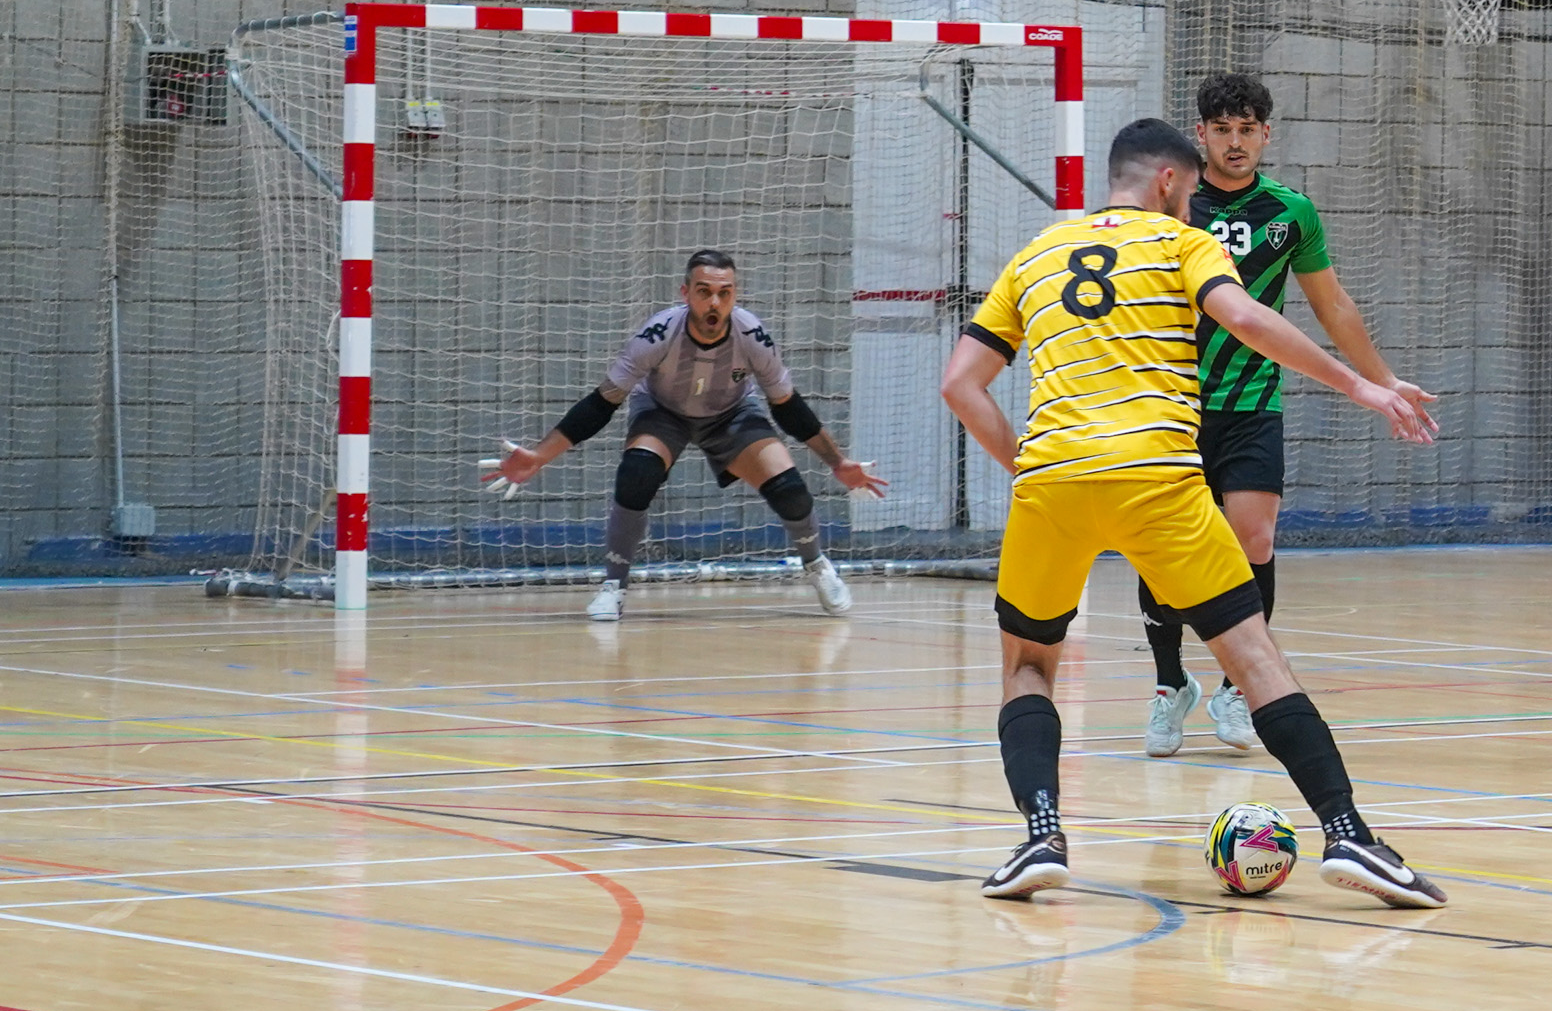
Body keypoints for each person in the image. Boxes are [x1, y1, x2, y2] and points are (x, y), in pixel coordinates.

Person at [939, 116, 1448, 907]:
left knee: (1029, 665)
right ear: (1171, 181)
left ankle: (1041, 835)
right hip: (1158, 478)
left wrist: (1032, 468)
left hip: (1055, 483)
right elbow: (1243, 319)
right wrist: (1362, 386)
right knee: (1254, 660)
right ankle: (1349, 834)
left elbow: (960, 385)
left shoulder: (1036, 252)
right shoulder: (1184, 242)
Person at [1136, 73, 1436, 756]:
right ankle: (1168, 683)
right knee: (1161, 546)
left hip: (1252, 404)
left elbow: (1333, 305)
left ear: (1266, 135)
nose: (1235, 142)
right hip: (1173, 402)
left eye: (1247, 130)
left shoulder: (1290, 212)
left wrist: (1383, 379)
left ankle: (1236, 687)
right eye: (1222, 130)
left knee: (1256, 540)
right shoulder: (1174, 205)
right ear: (1201, 134)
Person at [482, 249, 887, 620]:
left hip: (731, 414)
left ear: (735, 294)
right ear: (686, 293)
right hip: (663, 413)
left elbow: (788, 406)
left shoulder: (752, 336)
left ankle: (817, 565)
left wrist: (837, 462)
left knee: (790, 489)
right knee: (637, 473)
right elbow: (602, 403)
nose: (715, 303)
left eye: (725, 293)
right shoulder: (658, 334)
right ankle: (614, 585)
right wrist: (540, 456)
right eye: (704, 292)